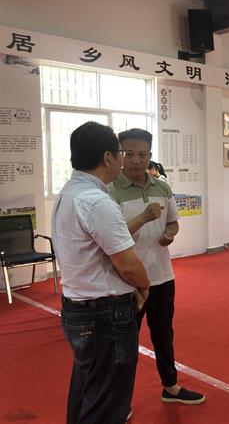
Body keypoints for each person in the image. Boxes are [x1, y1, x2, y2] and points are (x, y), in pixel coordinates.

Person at [52, 121, 150, 424]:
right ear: (108, 157)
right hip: (104, 314)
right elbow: (127, 263)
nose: (126, 160)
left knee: (88, 392)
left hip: (79, 306)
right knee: (106, 403)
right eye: (122, 153)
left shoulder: (70, 192)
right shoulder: (96, 201)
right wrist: (145, 286)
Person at [108, 128, 205, 405]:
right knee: (125, 343)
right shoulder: (110, 190)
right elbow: (111, 237)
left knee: (164, 336)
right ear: (119, 155)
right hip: (127, 281)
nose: (135, 160)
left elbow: (173, 222)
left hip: (162, 277)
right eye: (128, 154)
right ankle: (119, 402)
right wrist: (143, 217)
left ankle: (170, 387)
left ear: (150, 155)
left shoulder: (161, 186)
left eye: (142, 154)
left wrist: (169, 234)